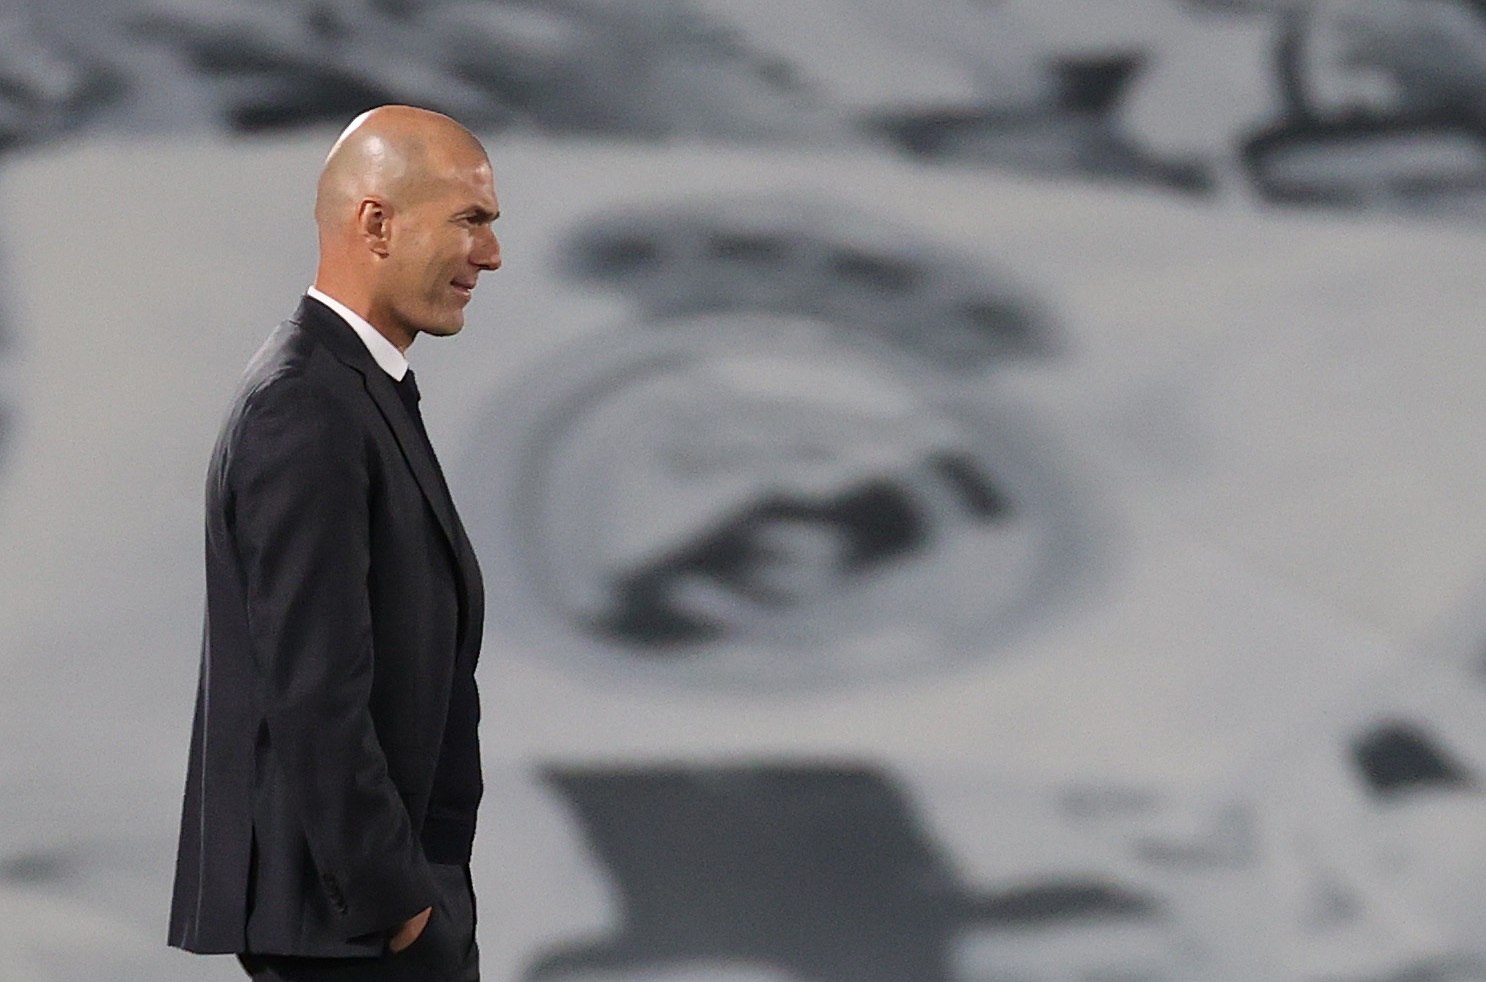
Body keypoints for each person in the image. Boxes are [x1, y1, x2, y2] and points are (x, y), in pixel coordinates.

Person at [166, 104, 501, 981]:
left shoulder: (356, 390)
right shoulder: (308, 404)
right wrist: (397, 905)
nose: (491, 255)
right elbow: (315, 689)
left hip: (368, 920)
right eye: (471, 220)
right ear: (377, 223)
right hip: (349, 930)